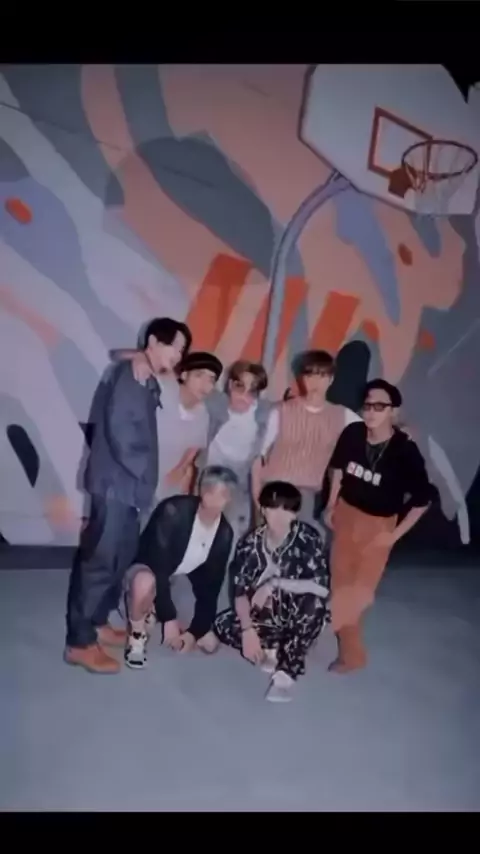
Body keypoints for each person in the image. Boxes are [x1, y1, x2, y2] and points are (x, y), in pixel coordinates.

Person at [64, 317, 191, 675]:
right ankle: (79, 643)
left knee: (119, 560)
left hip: (130, 489)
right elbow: (122, 434)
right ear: (153, 342)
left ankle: (98, 622)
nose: (178, 355)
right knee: (99, 563)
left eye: (182, 350)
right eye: (174, 346)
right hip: (115, 486)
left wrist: (138, 358)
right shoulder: (129, 376)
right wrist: (147, 475)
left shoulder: (143, 373)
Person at [324, 378, 433, 674]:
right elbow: (338, 468)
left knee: (359, 593)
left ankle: (347, 644)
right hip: (346, 515)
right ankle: (352, 655)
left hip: (379, 525)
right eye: (368, 406)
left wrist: (393, 536)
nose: (371, 412)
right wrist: (331, 504)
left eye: (380, 406)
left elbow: (423, 500)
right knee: (340, 587)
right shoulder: (353, 433)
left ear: (393, 411)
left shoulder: (405, 452)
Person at [213, 481, 330, 703]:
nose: (278, 517)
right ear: (262, 509)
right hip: (265, 613)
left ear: (295, 514)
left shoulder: (307, 538)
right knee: (222, 625)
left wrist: (273, 584)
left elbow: (321, 588)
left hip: (295, 609)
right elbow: (239, 592)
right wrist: (248, 630)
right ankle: (275, 647)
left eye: (286, 511)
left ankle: (285, 675)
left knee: (314, 604)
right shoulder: (249, 543)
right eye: (272, 509)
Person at [123, 465, 237, 669]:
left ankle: (154, 611)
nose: (216, 500)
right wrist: (169, 617)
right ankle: (137, 635)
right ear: (201, 490)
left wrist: (195, 633)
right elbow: (158, 565)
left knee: (209, 643)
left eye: (223, 495)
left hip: (178, 579)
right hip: (147, 568)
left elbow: (212, 587)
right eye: (211, 492)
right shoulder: (173, 511)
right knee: (144, 582)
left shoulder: (224, 533)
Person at [253, 350, 362, 531]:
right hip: (274, 491)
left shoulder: (342, 416)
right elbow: (258, 456)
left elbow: (371, 433)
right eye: (310, 375)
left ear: (331, 379)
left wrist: (331, 504)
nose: (315, 382)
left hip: (308, 496)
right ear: (301, 378)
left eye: (322, 376)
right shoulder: (281, 410)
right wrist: (257, 498)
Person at [150, 351, 223, 504]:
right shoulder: (162, 391)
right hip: (136, 474)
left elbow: (194, 446)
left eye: (211, 379)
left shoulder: (203, 414)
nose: (205, 384)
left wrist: (181, 469)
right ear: (184, 375)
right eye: (199, 375)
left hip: (167, 483)